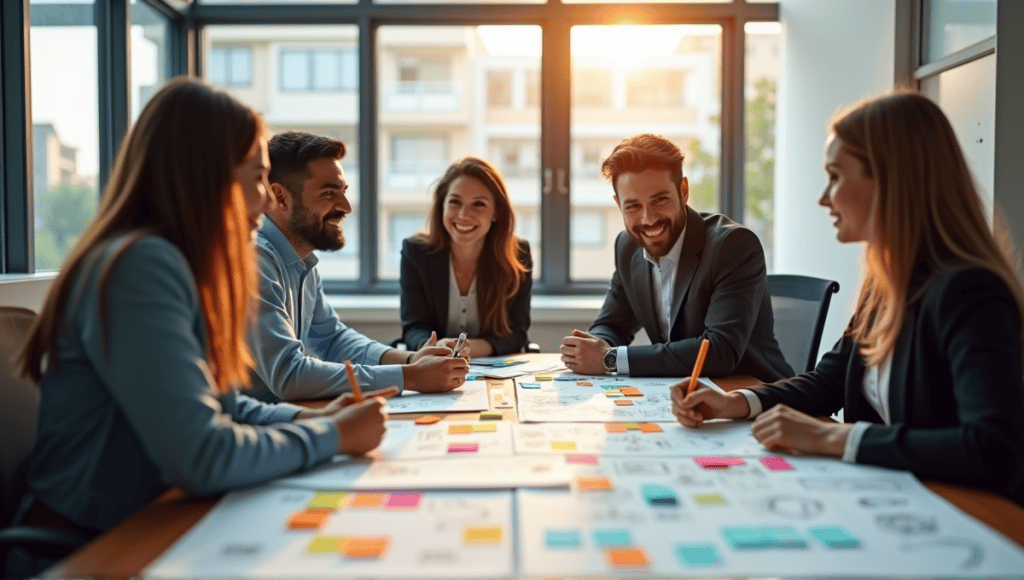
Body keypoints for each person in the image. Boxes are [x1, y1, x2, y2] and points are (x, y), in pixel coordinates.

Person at [17, 78, 394, 535]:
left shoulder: (181, 265)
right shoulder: (141, 266)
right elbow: (202, 456)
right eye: (256, 176)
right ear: (207, 175)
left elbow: (229, 407)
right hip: (86, 545)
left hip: (151, 521)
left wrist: (312, 417)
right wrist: (332, 436)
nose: (263, 197)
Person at [673, 91, 1024, 504]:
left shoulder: (969, 291)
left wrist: (834, 436)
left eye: (836, 175)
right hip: (892, 497)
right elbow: (830, 382)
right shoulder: (887, 283)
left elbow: (993, 447)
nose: (825, 197)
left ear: (893, 180)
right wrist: (734, 402)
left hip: (961, 513)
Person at [247, 131, 469, 403]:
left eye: (343, 192)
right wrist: (410, 376)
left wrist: (413, 359)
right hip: (247, 429)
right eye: (329, 193)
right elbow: (289, 375)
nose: (346, 207)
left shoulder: (302, 259)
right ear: (280, 197)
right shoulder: (254, 261)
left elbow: (332, 339)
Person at [560, 134, 793, 381]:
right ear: (619, 205)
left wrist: (610, 359)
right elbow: (613, 324)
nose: (648, 219)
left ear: (683, 191)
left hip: (754, 395)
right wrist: (591, 348)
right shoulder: (628, 247)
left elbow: (719, 351)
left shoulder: (733, 246)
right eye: (633, 206)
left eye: (659, 200)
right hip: (685, 395)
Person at [400, 157, 532, 357]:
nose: (463, 214)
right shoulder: (415, 252)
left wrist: (469, 348)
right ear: (442, 205)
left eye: (478, 204)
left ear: (496, 212)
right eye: (455, 202)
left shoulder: (518, 254)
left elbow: (516, 333)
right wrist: (434, 346)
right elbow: (413, 327)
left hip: (492, 368)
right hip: (433, 365)